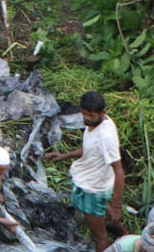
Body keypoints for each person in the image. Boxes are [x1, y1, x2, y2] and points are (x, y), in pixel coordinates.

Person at [45, 92, 126, 252]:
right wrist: (64, 156)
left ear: (102, 113)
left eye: (91, 115)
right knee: (98, 219)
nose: (87, 118)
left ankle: (111, 232)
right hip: (87, 179)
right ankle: (118, 227)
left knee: (99, 236)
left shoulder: (106, 136)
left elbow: (119, 171)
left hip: (93, 189)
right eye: (84, 113)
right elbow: (90, 150)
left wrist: (116, 206)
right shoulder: (95, 124)